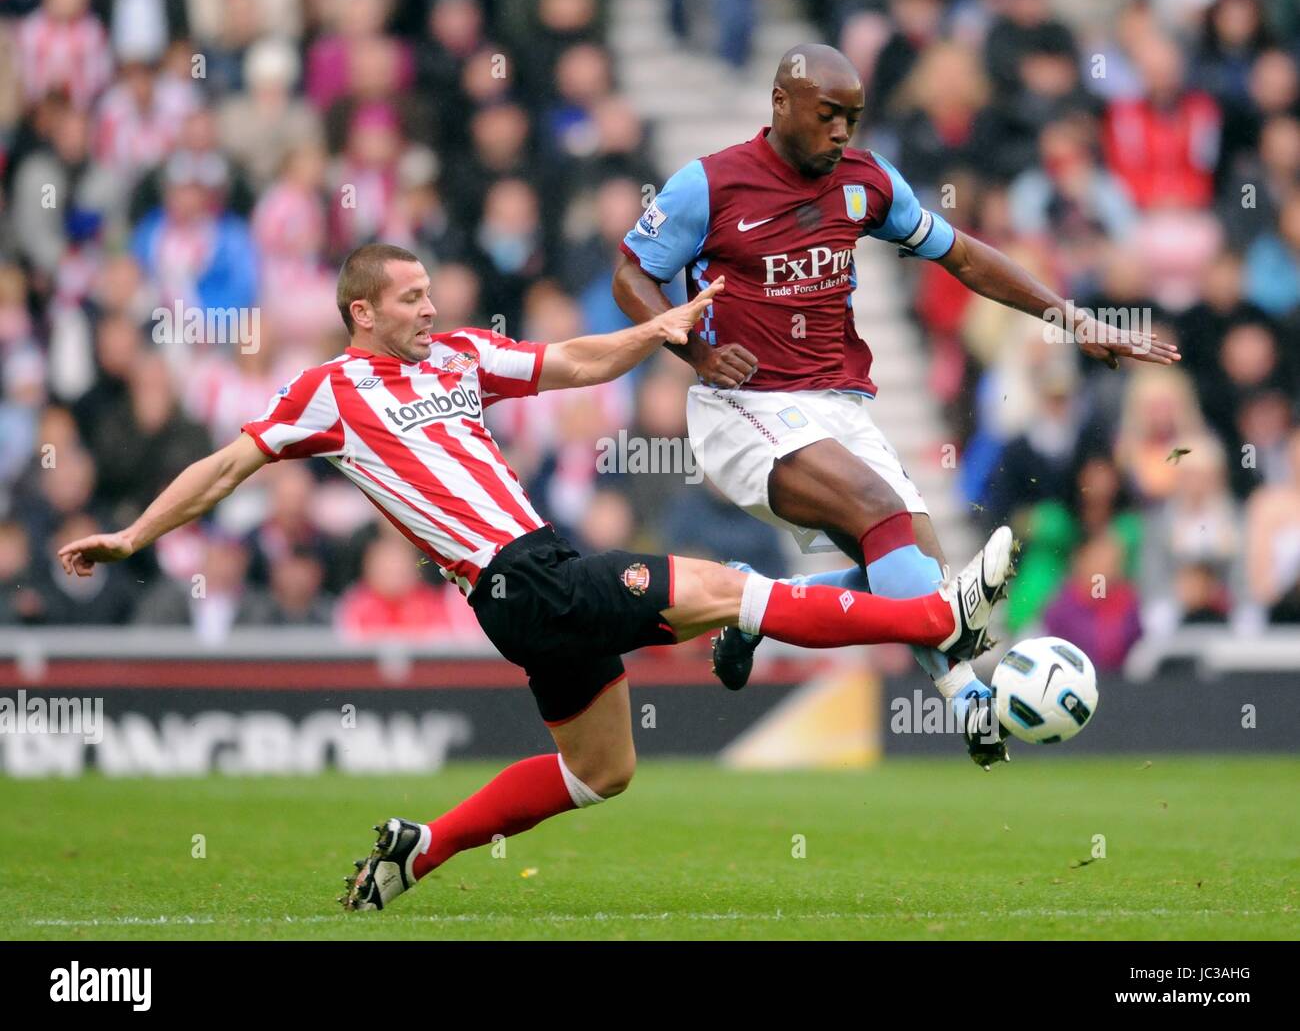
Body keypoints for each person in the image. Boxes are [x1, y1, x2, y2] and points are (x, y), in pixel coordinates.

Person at [56, 243, 1014, 912]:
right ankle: (934, 615)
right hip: (518, 578)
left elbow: (574, 362)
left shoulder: (462, 357)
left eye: (430, 292)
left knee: (603, 771)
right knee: (731, 587)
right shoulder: (327, 395)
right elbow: (227, 466)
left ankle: (421, 848)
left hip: (534, 580)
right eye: (411, 299)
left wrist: (665, 329)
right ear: (362, 312)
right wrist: (135, 536)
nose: (430, 309)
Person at [612, 43, 1180, 769]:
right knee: (894, 536)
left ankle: (755, 604)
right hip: (742, 403)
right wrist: (693, 351)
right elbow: (633, 272)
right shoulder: (710, 185)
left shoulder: (868, 182)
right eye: (828, 116)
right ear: (781, 104)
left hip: (840, 407)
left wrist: (1071, 318)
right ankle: (969, 699)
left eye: (852, 118)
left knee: (910, 574)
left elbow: (965, 257)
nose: (842, 132)